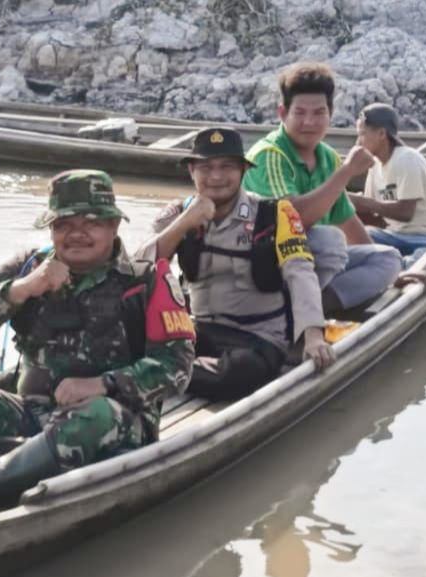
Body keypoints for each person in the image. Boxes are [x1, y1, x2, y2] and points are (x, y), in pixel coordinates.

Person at [0, 169, 195, 528]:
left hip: (115, 421)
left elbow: (177, 368)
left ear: (113, 226)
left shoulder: (147, 278)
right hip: (32, 413)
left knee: (93, 416)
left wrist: (103, 384)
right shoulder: (31, 265)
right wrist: (23, 288)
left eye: (90, 222)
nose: (76, 233)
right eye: (63, 224)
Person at [140, 128, 333, 402]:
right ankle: (179, 369)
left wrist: (314, 335)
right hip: (199, 329)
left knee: (238, 374)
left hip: (257, 338)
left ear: (243, 170)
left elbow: (300, 274)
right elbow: (139, 269)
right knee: (131, 343)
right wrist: (184, 223)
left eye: (227, 167)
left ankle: (167, 372)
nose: (216, 177)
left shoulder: (275, 214)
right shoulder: (177, 215)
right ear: (191, 171)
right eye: (206, 168)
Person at [242, 62, 404, 316]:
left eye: (319, 113)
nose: (309, 122)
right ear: (282, 113)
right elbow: (292, 221)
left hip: (313, 261)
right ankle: (295, 312)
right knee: (329, 239)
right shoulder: (269, 155)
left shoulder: (328, 157)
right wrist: (348, 172)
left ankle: (313, 307)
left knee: (388, 258)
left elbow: (346, 219)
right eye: (300, 113)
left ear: (331, 113)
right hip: (268, 261)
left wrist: (394, 277)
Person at [348, 103, 426, 263]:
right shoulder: (374, 166)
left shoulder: (407, 159)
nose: (358, 143)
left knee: (424, 260)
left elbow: (405, 213)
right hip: (393, 235)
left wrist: (360, 202)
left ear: (381, 133)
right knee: (349, 241)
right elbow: (373, 215)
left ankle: (402, 269)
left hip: (425, 237)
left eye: (362, 134)